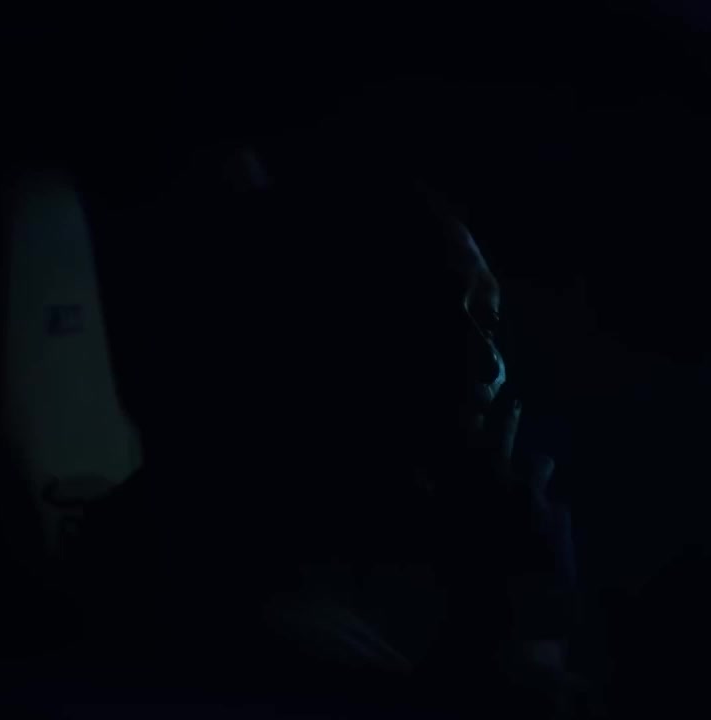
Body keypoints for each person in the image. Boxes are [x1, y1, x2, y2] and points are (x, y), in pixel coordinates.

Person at [71, 147, 585, 717]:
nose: (487, 363)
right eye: (425, 314)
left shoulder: (360, 575)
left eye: (487, 318)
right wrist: (515, 611)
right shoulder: (238, 625)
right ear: (310, 335)